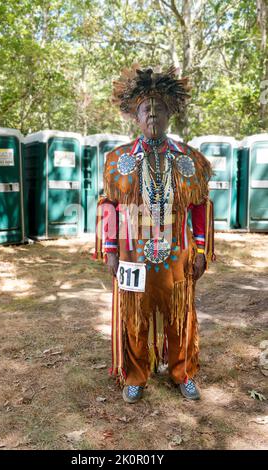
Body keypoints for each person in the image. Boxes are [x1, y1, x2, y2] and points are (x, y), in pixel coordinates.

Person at [94, 65, 215, 403]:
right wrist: (111, 249)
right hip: (133, 253)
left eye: (158, 108)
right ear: (135, 115)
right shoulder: (118, 160)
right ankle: (136, 374)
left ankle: (182, 372)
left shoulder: (189, 159)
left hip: (177, 252)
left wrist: (202, 250)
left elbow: (200, 206)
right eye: (145, 108)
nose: (152, 114)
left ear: (168, 114)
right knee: (135, 315)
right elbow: (109, 207)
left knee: (180, 315)